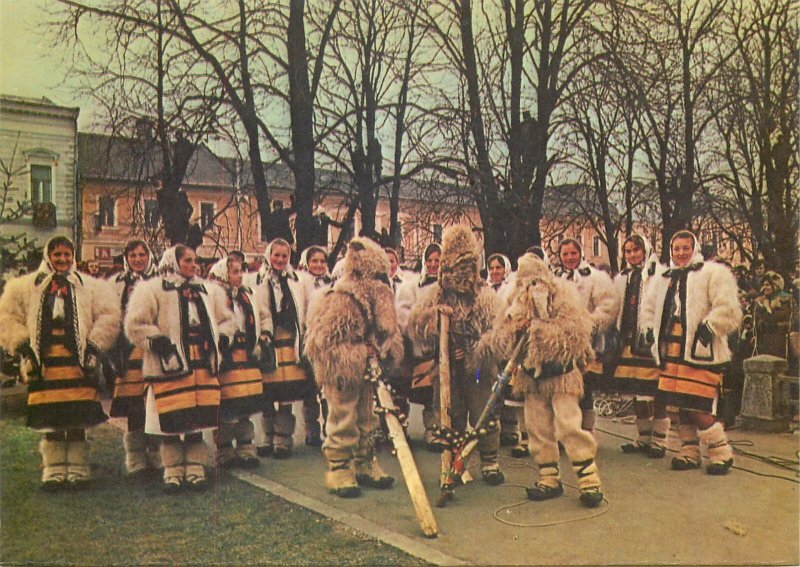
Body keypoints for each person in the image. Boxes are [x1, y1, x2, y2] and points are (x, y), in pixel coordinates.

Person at [0, 236, 120, 490]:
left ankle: (77, 468)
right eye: (57, 255)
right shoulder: (26, 286)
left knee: (77, 415)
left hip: (78, 362)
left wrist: (95, 345)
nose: (62, 260)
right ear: (48, 256)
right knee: (52, 417)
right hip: (46, 363)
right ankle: (54, 470)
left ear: (73, 257)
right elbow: (7, 316)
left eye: (67, 255)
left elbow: (109, 316)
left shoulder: (89, 286)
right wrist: (23, 346)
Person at [492, 253, 603, 507]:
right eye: (526, 282)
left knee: (569, 425)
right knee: (537, 427)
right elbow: (501, 333)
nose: (532, 288)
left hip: (561, 374)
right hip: (531, 378)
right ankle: (549, 478)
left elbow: (576, 332)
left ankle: (589, 481)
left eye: (536, 281)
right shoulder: (513, 300)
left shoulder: (563, 296)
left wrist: (538, 331)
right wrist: (514, 330)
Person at [125, 245, 234, 492]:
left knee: (197, 421)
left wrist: (223, 337)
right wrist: (158, 341)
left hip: (202, 366)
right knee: (172, 421)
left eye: (195, 261)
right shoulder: (153, 289)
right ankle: (172, 471)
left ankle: (195, 469)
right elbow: (135, 325)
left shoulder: (208, 290)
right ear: (173, 262)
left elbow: (227, 320)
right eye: (187, 260)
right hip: (170, 366)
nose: (193, 265)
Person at [305, 237, 404, 497]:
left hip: (368, 369)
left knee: (368, 417)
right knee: (342, 416)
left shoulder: (378, 297)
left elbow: (387, 333)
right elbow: (323, 342)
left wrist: (382, 352)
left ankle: (365, 462)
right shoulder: (340, 298)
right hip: (343, 371)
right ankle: (340, 468)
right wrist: (359, 352)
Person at [408, 226, 505, 485]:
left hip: (477, 369)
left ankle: (489, 460)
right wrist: (435, 318)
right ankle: (456, 460)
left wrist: (473, 350)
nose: (461, 277)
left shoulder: (485, 296)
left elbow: (497, 334)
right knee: (452, 413)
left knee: (483, 409)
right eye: (455, 270)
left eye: (467, 270)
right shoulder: (436, 294)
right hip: (447, 367)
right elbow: (416, 325)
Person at [642, 230, 742, 475]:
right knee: (678, 404)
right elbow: (648, 307)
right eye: (676, 249)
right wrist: (648, 330)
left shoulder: (712, 273)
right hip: (670, 348)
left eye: (686, 248)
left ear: (694, 248)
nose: (681, 253)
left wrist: (710, 326)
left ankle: (720, 451)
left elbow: (728, 306)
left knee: (698, 403)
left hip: (698, 348)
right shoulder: (663, 278)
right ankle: (688, 450)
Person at [208, 255, 273, 468]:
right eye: (234, 272)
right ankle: (224, 449)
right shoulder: (213, 295)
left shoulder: (248, 295)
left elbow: (263, 315)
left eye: (240, 271)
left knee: (246, 403)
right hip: (226, 356)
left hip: (246, 354)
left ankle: (246, 447)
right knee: (226, 405)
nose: (239, 276)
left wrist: (264, 334)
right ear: (223, 274)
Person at [250, 238, 310, 458]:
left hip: (288, 341)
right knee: (268, 391)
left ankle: (283, 438)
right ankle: (267, 436)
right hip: (268, 341)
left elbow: (304, 307)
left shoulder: (297, 281)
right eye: (276, 255)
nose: (280, 260)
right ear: (269, 255)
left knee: (286, 390)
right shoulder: (257, 280)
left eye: (284, 256)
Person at [610, 235, 669, 457]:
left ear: (645, 250)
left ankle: (660, 440)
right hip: (628, 341)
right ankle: (643, 436)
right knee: (636, 392)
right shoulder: (622, 277)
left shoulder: (659, 275)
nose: (633, 254)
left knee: (655, 392)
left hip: (649, 342)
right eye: (628, 251)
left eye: (636, 250)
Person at [109, 239, 161, 476]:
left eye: (142, 255)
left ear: (149, 257)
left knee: (154, 404)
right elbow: (110, 316)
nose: (138, 259)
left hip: (153, 350)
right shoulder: (117, 283)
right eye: (133, 256)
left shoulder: (160, 281)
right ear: (126, 259)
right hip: (128, 351)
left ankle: (157, 453)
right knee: (134, 407)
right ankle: (136, 458)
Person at [556, 238, 620, 432]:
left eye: (573, 253)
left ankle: (586, 431)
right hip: (562, 344)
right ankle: (568, 431)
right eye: (565, 254)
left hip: (588, 342)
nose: (569, 258)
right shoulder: (556, 278)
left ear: (581, 253)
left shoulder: (596, 278)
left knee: (584, 388)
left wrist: (589, 324)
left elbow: (608, 305)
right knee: (564, 389)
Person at [395, 243, 442, 450]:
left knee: (437, 392)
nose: (433, 265)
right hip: (417, 348)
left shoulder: (448, 286)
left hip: (443, 347)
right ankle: (399, 429)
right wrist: (423, 327)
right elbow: (404, 316)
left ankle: (435, 430)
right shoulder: (412, 287)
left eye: (437, 261)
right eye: (429, 260)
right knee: (409, 389)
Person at [297, 245, 334, 447]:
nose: (319, 265)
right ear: (307, 263)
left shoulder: (332, 282)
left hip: (328, 342)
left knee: (328, 388)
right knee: (311, 388)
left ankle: (330, 428)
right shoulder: (301, 283)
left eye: (322, 261)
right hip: (309, 339)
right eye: (314, 261)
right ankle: (311, 430)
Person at [753, 271, 792, 358]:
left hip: (781, 341)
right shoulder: (760, 302)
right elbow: (756, 323)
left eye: (767, 285)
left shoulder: (786, 300)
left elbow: (791, 320)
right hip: (764, 342)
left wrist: (778, 326)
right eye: (763, 285)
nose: (764, 287)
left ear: (775, 286)